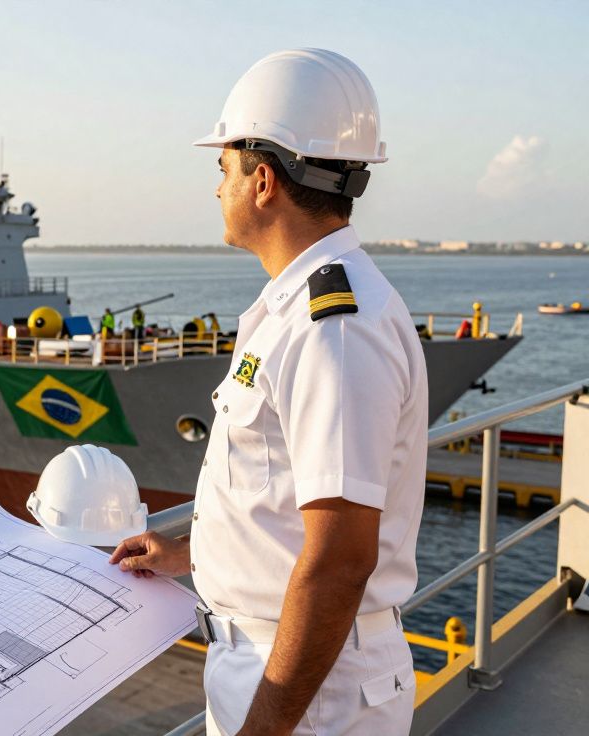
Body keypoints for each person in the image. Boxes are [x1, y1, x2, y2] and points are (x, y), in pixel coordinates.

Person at [109, 49, 425, 736]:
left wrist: (266, 728)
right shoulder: (299, 309)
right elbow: (277, 498)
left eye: (220, 170)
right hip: (285, 666)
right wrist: (185, 555)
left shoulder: (333, 329)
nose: (214, 189)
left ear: (261, 181)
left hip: (310, 688)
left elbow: (341, 560)